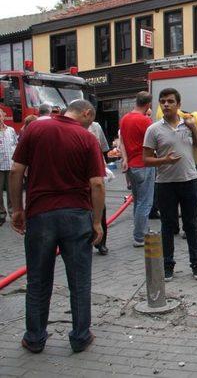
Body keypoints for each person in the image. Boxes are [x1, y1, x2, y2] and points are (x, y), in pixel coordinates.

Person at [9, 99, 105, 354]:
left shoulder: (36, 130)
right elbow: (96, 183)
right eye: (90, 120)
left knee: (38, 281)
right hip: (76, 216)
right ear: (86, 113)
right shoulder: (87, 139)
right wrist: (96, 222)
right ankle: (80, 336)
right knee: (79, 281)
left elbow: (16, 171)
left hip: (40, 215)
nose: (89, 125)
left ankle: (35, 338)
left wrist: (17, 209)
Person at [142, 88, 197, 281]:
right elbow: (146, 159)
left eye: (170, 101)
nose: (166, 105)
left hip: (189, 182)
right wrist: (164, 160)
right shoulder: (153, 129)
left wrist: (194, 126)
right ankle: (168, 265)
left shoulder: (188, 126)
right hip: (165, 184)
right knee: (168, 226)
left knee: (191, 225)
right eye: (162, 102)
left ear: (178, 105)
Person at [120, 91, 155, 248]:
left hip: (132, 166)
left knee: (137, 202)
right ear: (148, 105)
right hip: (144, 165)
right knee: (144, 203)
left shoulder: (125, 119)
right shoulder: (146, 121)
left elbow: (121, 142)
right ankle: (140, 237)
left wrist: (125, 159)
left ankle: (141, 230)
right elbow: (154, 143)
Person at [88, 121, 111, 255]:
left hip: (95, 171)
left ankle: (101, 243)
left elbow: (103, 148)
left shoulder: (95, 126)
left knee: (100, 206)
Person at [0, 109, 18, 225]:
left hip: (10, 165)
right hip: (0, 166)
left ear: (3, 116)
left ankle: (13, 214)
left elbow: (16, 145)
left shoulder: (11, 130)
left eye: (0, 115)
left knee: (12, 191)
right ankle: (1, 214)